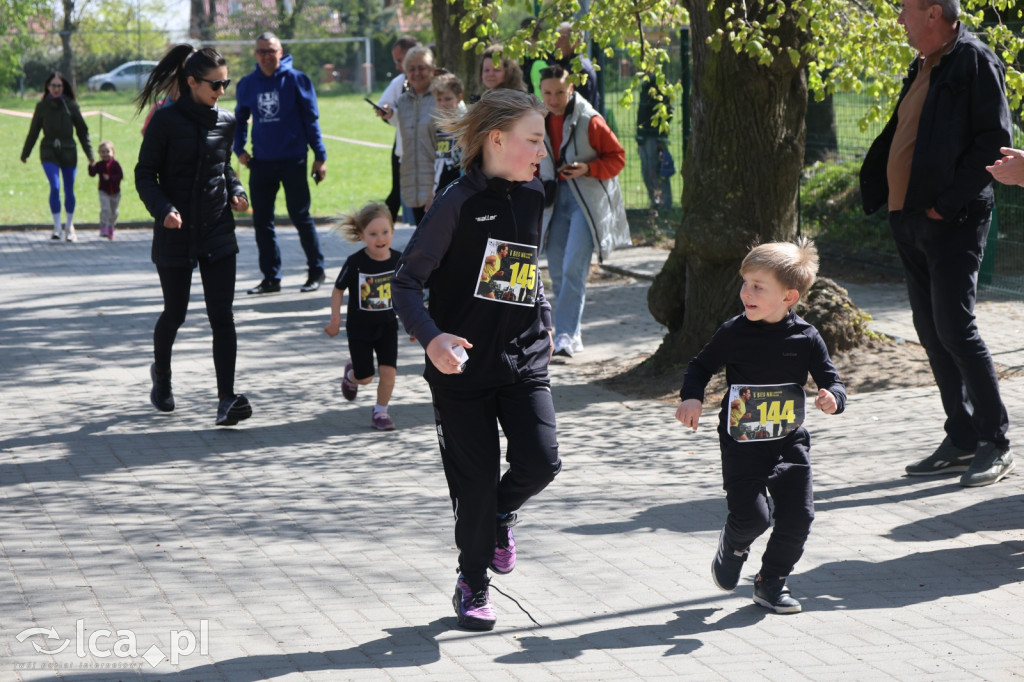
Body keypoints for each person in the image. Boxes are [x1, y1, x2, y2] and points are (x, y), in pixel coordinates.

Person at [392, 89, 562, 631]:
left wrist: (546, 317)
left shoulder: (536, 190)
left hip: (524, 356)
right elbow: (407, 284)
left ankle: (500, 517)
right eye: (533, 140)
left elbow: (526, 266)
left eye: (543, 139)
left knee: (541, 461)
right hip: (461, 369)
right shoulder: (455, 203)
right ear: (496, 139)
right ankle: (473, 582)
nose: (542, 150)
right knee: (475, 483)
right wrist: (432, 338)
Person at [860, 0, 1014, 487]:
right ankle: (962, 437)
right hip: (910, 219)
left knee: (955, 327)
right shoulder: (924, 63)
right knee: (930, 329)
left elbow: (994, 143)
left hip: (953, 219)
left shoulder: (975, 60)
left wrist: (944, 205)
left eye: (905, 10)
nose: (898, 20)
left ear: (932, 13)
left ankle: (994, 441)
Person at [676, 238, 846, 614]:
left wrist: (832, 398)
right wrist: (692, 396)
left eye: (757, 286)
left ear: (789, 296)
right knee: (754, 516)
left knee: (799, 517)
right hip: (742, 441)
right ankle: (734, 544)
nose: (745, 293)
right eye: (745, 283)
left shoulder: (806, 337)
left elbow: (832, 380)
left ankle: (771, 583)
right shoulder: (734, 332)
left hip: (789, 440)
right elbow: (700, 366)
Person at [135, 44, 253, 427]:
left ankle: (226, 399)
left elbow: (223, 167)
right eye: (215, 85)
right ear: (191, 83)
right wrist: (163, 209)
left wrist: (237, 190)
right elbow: (144, 174)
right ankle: (162, 376)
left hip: (217, 228)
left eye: (226, 84)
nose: (222, 92)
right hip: (176, 231)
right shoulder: (165, 122)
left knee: (223, 316)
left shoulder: (227, 121)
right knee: (176, 312)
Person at [537, 65, 629, 358]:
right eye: (547, 93)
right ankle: (570, 332)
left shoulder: (590, 119)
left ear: (572, 89)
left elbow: (617, 159)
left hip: (585, 203)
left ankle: (563, 335)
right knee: (555, 270)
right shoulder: (537, 118)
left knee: (572, 268)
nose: (553, 99)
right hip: (553, 200)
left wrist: (588, 168)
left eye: (560, 93)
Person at [235, 32, 328, 295]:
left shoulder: (298, 80)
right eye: (261, 51)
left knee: (300, 216)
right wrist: (239, 149)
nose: (266, 55)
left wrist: (320, 157)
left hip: (293, 159)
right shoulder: (247, 84)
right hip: (261, 162)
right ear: (255, 54)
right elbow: (240, 120)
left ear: (281, 51)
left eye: (271, 50)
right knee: (262, 221)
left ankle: (316, 272)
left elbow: (311, 121)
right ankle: (271, 278)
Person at [324, 201, 402, 431]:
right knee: (365, 377)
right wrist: (335, 320)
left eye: (385, 232)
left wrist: (415, 324)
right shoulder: (356, 263)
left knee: (389, 373)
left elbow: (410, 292)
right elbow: (338, 289)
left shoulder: (399, 261)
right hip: (359, 329)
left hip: (388, 327)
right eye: (373, 234)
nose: (381, 238)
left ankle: (380, 412)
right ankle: (351, 375)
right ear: (361, 236)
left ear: (393, 231)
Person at [20, 71, 95, 242]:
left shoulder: (71, 106)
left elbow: (83, 132)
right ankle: (56, 226)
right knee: (55, 186)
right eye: (53, 86)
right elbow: (33, 132)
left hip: (69, 152)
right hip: (49, 151)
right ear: (48, 87)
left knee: (69, 189)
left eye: (59, 86)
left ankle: (69, 226)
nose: (56, 89)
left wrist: (90, 155)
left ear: (64, 87)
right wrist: (25, 153)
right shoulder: (42, 107)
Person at [379, 46, 436, 224]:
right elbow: (405, 125)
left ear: (432, 69)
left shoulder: (442, 98)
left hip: (436, 180)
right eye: (411, 69)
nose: (417, 73)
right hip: (412, 179)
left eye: (422, 68)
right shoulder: (403, 101)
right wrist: (390, 114)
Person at [636, 74, 674, 211]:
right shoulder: (645, 85)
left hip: (654, 137)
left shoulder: (661, 84)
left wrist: (660, 137)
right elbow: (641, 113)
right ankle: (654, 201)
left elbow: (669, 112)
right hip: (643, 137)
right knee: (646, 171)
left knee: (658, 170)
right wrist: (639, 138)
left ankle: (665, 203)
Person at [429, 72, 467, 196]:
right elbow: (439, 162)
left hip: (461, 190)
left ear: (459, 97)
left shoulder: (465, 125)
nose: (443, 103)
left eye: (448, 99)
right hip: (441, 191)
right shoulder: (439, 127)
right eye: (439, 100)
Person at [552, 23, 601, 113]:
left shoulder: (577, 69)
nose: (556, 44)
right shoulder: (580, 63)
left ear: (574, 42)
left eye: (560, 39)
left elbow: (578, 108)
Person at [88, 140, 123, 241]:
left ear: (113, 152)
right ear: (99, 153)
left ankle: (110, 226)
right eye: (102, 152)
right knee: (105, 209)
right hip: (103, 191)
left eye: (107, 151)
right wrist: (91, 165)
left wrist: (110, 178)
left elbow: (120, 176)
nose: (105, 154)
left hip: (115, 193)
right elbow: (92, 173)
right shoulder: (99, 165)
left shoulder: (115, 164)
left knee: (114, 212)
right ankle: (103, 228)